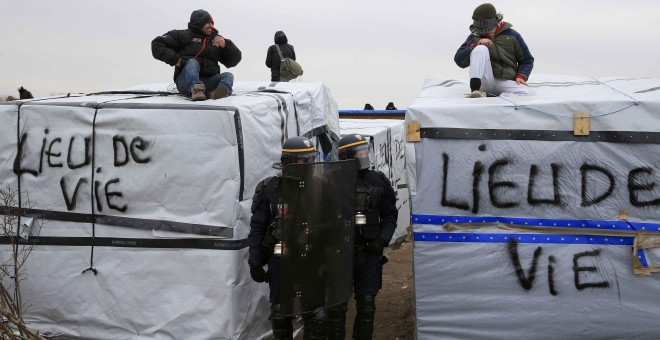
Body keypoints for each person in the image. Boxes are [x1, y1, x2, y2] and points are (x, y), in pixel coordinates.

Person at [248, 136, 328, 340]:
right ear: (290, 162)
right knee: (281, 313)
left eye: (311, 159)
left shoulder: (321, 187)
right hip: (281, 259)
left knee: (316, 315)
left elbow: (334, 225)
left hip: (311, 258)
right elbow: (258, 226)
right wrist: (255, 259)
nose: (309, 164)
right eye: (304, 160)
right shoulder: (270, 189)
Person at [327, 134, 397, 340]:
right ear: (347, 156)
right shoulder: (331, 182)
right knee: (336, 308)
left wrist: (381, 240)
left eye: (366, 151)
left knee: (367, 306)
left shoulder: (378, 180)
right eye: (360, 153)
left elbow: (390, 215)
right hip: (340, 255)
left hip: (368, 254)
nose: (365, 155)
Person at [151, 9, 242, 101]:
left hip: (207, 82)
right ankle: (197, 90)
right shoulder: (183, 35)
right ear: (199, 24)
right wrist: (176, 60)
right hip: (185, 82)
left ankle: (218, 94)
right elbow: (157, 44)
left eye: (212, 23)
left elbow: (234, 61)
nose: (211, 26)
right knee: (192, 62)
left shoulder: (216, 40)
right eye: (208, 23)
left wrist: (226, 45)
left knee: (228, 76)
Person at [454, 3, 534, 98]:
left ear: (495, 22)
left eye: (486, 28)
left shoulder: (512, 35)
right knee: (481, 48)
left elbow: (527, 60)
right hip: (485, 81)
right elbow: (459, 61)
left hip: (506, 81)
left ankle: (494, 96)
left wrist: (521, 75)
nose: (484, 32)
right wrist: (475, 45)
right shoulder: (474, 37)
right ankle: (475, 90)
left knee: (529, 94)